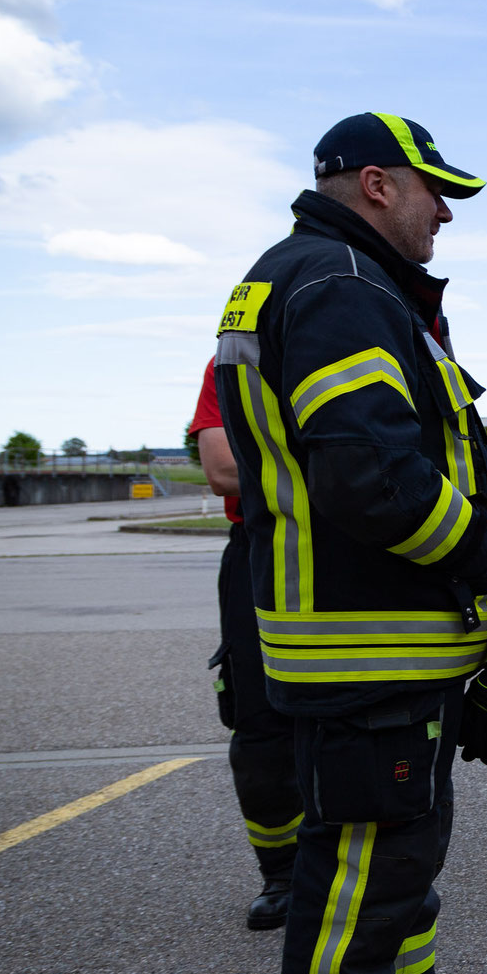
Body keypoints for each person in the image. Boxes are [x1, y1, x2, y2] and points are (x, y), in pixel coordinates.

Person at [216, 113, 487, 974]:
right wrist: (485, 568)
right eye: (438, 193)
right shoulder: (344, 285)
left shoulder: (311, 276)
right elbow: (374, 477)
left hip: (360, 648)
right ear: (377, 184)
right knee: (360, 888)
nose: (448, 216)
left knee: (395, 883)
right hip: (369, 655)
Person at [187, 355, 302, 930]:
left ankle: (375, 859)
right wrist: (348, 471)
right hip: (264, 550)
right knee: (260, 726)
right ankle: (282, 872)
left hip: (366, 550)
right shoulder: (237, 362)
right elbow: (223, 470)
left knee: (375, 713)